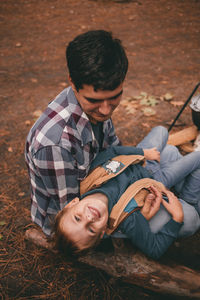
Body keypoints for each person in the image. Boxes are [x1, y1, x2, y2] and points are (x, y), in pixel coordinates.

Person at [25, 30, 131, 236]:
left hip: (102, 182)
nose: (106, 110)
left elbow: (114, 149)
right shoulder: (54, 145)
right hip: (80, 222)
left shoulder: (96, 103)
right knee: (186, 220)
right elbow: (73, 209)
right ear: (73, 83)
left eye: (115, 97)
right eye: (94, 101)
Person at [52, 126, 200, 260]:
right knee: (197, 158)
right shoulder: (127, 219)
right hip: (156, 180)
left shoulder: (90, 178)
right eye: (90, 229)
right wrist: (177, 219)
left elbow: (112, 152)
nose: (89, 218)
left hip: (140, 161)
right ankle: (191, 200)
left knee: (161, 131)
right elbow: (155, 249)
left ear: (72, 203)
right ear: (103, 232)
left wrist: (144, 152)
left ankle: (185, 186)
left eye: (77, 218)